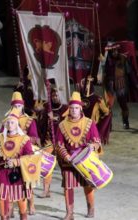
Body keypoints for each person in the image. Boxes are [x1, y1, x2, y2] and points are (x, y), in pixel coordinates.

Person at [55, 91, 102, 220]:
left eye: (76, 108)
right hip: (68, 161)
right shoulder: (62, 125)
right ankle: (70, 213)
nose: (74, 110)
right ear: (68, 109)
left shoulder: (89, 123)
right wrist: (67, 157)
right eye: (71, 108)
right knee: (68, 186)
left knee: (87, 185)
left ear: (81, 108)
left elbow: (97, 141)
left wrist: (92, 146)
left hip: (85, 161)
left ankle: (91, 208)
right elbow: (59, 145)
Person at [0, 107, 34, 220]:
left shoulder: (24, 139)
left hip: (19, 174)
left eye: (12, 122)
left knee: (21, 199)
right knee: (3, 199)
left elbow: (30, 158)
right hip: (2, 174)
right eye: (8, 122)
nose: (10, 124)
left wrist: (16, 162)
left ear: (17, 124)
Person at [1, 91, 39, 216]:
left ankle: (31, 204)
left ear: (23, 106)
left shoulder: (29, 120)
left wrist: (21, 136)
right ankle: (10, 208)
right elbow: (2, 137)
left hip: (25, 153)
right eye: (15, 106)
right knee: (9, 183)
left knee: (28, 181)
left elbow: (34, 137)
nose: (17, 108)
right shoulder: (7, 121)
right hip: (10, 154)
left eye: (19, 106)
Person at [37, 87, 68, 198]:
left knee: (64, 165)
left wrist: (56, 120)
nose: (55, 97)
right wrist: (41, 112)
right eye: (53, 95)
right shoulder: (47, 107)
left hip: (61, 142)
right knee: (46, 164)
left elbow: (68, 124)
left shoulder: (66, 109)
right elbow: (39, 121)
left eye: (57, 95)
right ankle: (46, 190)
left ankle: (67, 189)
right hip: (49, 140)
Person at [102, 42, 138, 129]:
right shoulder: (106, 60)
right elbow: (103, 73)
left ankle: (125, 122)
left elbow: (130, 73)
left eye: (116, 50)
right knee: (108, 106)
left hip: (121, 85)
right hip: (110, 86)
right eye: (113, 51)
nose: (115, 52)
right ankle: (108, 124)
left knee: (123, 105)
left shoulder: (123, 59)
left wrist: (136, 84)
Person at [80, 75, 112, 144]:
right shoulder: (80, 98)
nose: (82, 86)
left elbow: (106, 112)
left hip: (87, 127)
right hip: (85, 127)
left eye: (84, 84)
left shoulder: (97, 99)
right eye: (82, 84)